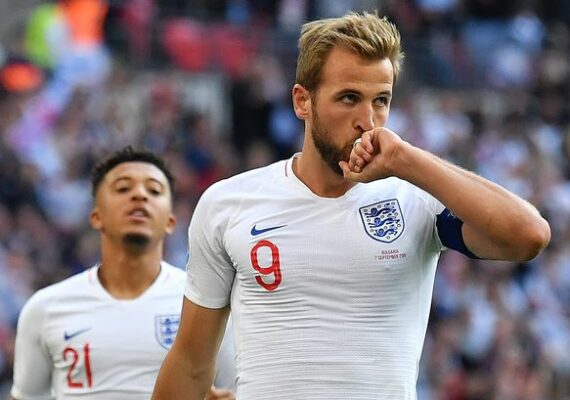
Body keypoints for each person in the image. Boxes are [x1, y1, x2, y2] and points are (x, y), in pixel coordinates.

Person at [151, 12, 551, 400]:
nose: (367, 120)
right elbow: (191, 363)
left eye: (381, 100)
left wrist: (408, 159)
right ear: (302, 101)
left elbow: (528, 236)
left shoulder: (416, 199)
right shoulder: (229, 204)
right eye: (349, 98)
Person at [11, 147, 236, 400]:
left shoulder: (205, 306)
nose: (139, 195)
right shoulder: (45, 308)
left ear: (170, 221)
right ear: (96, 217)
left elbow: (236, 390)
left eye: (153, 190)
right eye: (123, 188)